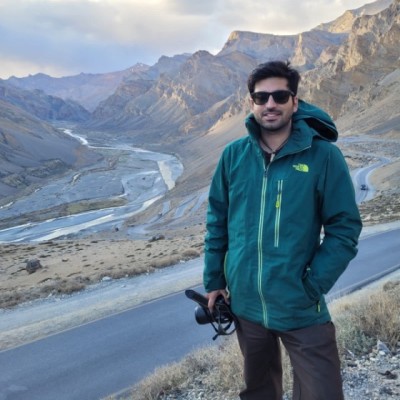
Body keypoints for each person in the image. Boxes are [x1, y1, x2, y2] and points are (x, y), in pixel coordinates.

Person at [203, 60, 362, 400]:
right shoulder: (233, 156)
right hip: (246, 305)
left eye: (279, 96)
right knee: (259, 391)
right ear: (251, 103)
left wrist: (311, 285)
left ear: (295, 101)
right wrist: (214, 280)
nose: (270, 104)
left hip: (300, 305)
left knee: (323, 393)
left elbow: (344, 228)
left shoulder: (323, 156)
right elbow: (217, 221)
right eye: (261, 97)